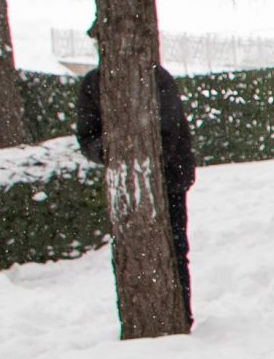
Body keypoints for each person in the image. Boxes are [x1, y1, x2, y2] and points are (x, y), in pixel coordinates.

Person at [75, 36, 198, 325]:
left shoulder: (157, 78)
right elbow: (87, 136)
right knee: (135, 251)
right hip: (127, 184)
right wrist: (115, 153)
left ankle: (181, 314)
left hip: (170, 180)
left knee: (176, 248)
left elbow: (168, 130)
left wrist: (147, 162)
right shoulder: (93, 84)